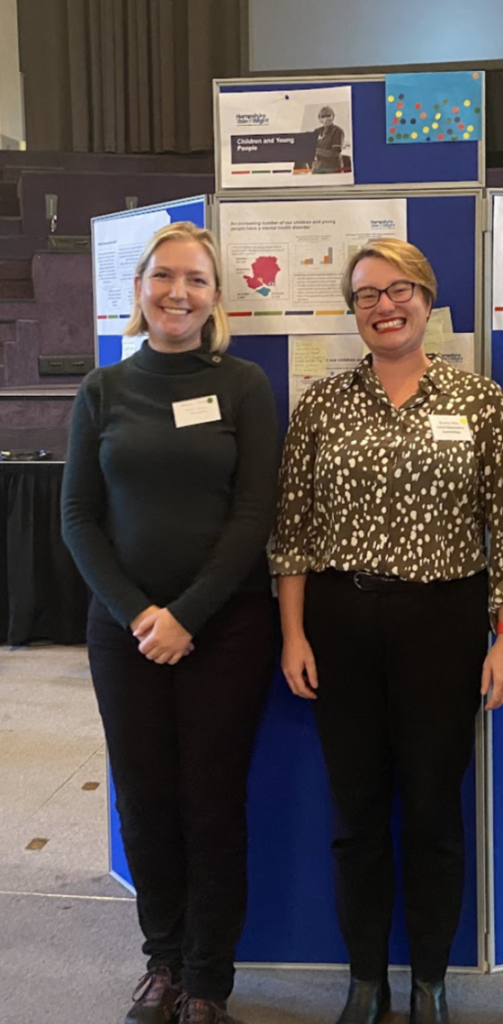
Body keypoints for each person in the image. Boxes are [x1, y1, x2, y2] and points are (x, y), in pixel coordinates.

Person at [271, 238, 503, 1024]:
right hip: (339, 621)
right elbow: (290, 533)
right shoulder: (321, 403)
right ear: (352, 311)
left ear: (426, 297)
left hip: (443, 624)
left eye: (398, 291)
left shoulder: (479, 400)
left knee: (431, 813)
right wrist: (292, 633)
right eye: (365, 296)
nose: (383, 307)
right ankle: (363, 981)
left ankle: (428, 982)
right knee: (355, 816)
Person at [61, 222, 279, 1024]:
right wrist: (140, 614)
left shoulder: (243, 386)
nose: (177, 293)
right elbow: (79, 518)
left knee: (211, 802)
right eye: (163, 277)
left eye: (194, 279)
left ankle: (209, 980)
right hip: (125, 635)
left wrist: (185, 615)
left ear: (215, 297)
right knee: (145, 804)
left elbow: (255, 513)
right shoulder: (103, 389)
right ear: (139, 288)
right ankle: (163, 963)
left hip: (226, 630)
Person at [312, 105, 345, 172]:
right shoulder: (317, 131)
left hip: (333, 168)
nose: (326, 118)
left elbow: (335, 153)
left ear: (333, 117)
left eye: (328, 115)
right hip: (318, 168)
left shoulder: (338, 131)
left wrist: (315, 151)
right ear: (319, 119)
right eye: (323, 116)